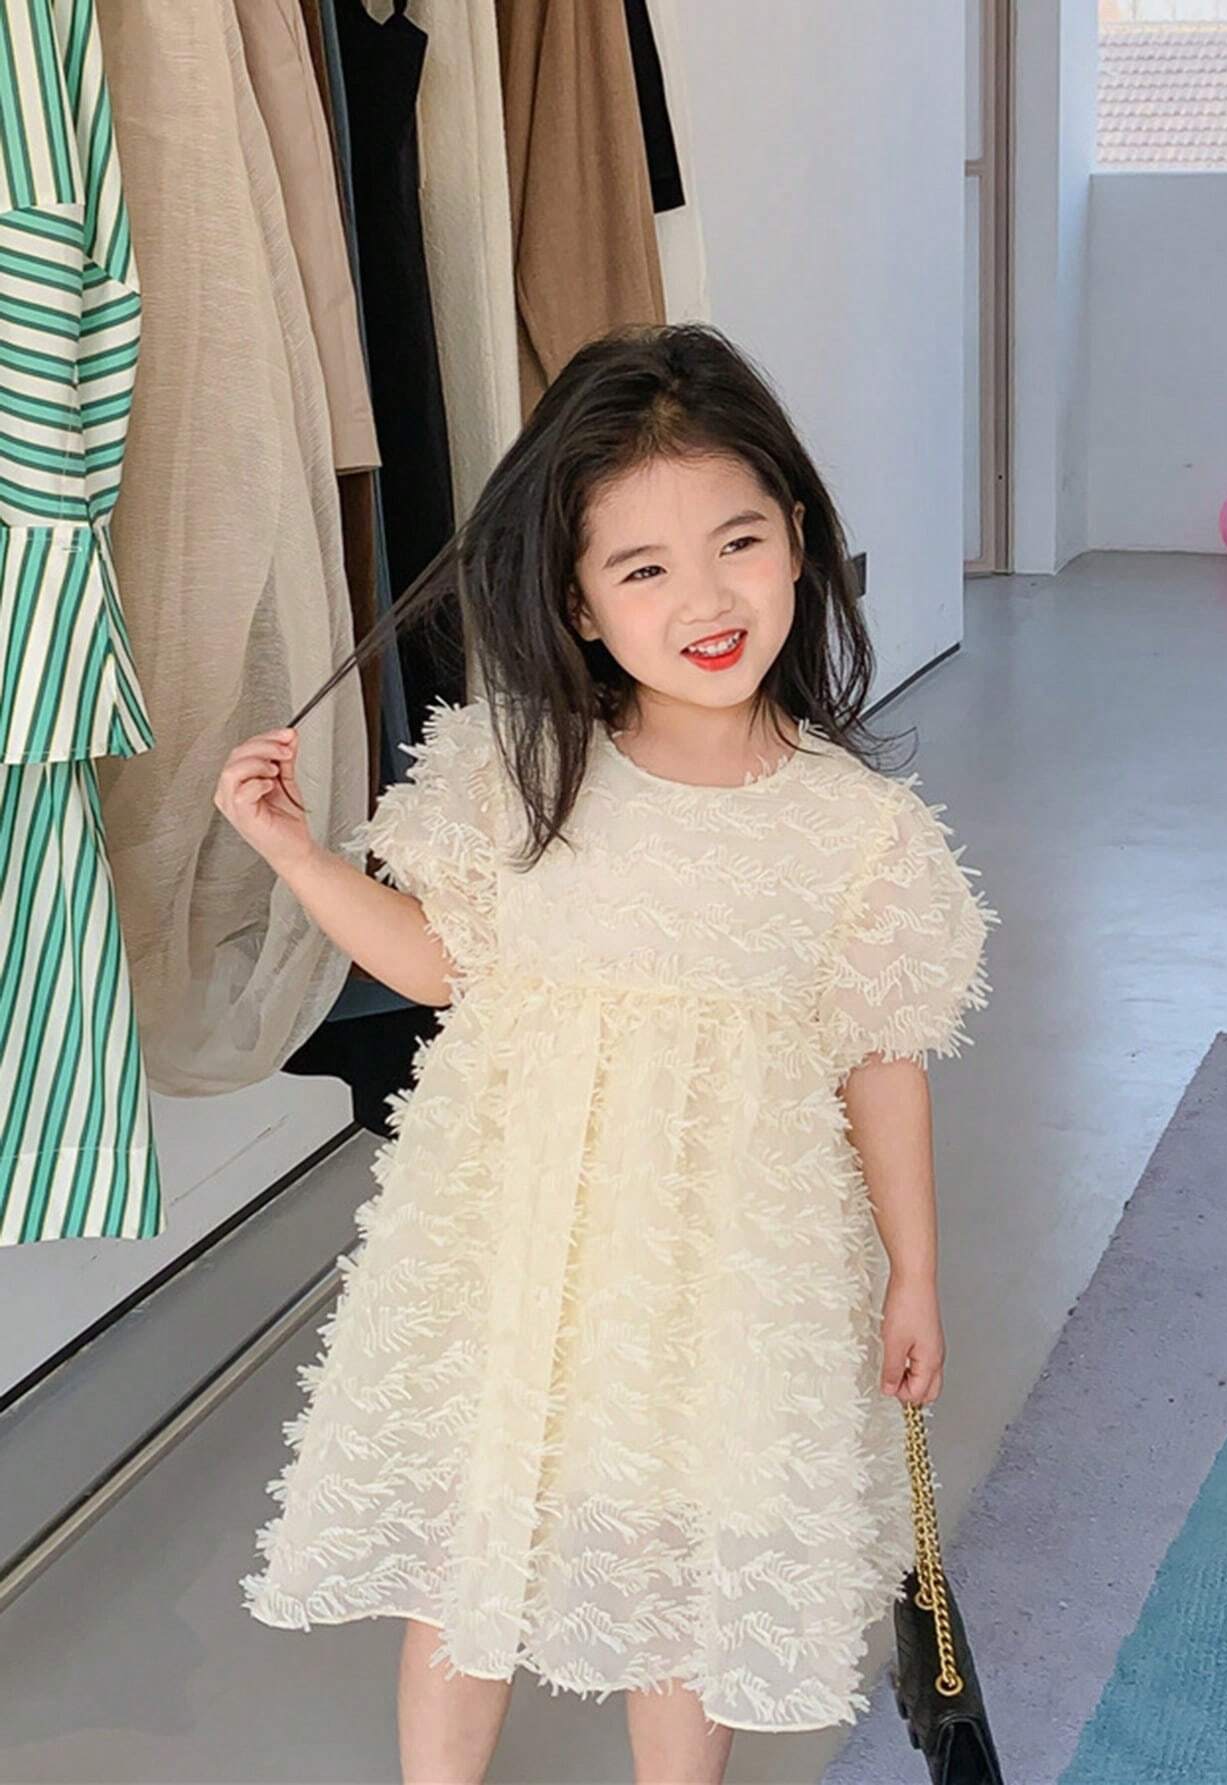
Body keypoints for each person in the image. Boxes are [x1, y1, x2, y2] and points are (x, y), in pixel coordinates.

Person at [218, 323, 1001, 1785]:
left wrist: (915, 1269)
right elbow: (444, 964)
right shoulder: (521, 766)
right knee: (478, 1543)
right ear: (577, 605)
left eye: (738, 543)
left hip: (726, 1269)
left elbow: (882, 1056)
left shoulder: (855, 829)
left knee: (684, 1569)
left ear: (799, 540)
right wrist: (298, 857)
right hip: (524, 1244)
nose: (703, 598)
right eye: (642, 569)